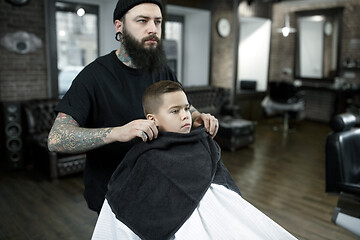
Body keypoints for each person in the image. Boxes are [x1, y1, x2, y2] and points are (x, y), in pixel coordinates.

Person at [47, 0, 218, 214]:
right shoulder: (93, 77)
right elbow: (57, 138)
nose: (152, 29)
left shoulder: (163, 70)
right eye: (142, 21)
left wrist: (196, 117)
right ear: (119, 26)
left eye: (158, 22)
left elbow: (185, 107)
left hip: (158, 187)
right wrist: (117, 132)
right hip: (114, 194)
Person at [91, 81, 297, 240]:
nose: (185, 116)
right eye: (175, 111)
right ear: (152, 119)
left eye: (186, 108)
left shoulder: (203, 142)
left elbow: (224, 187)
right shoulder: (145, 158)